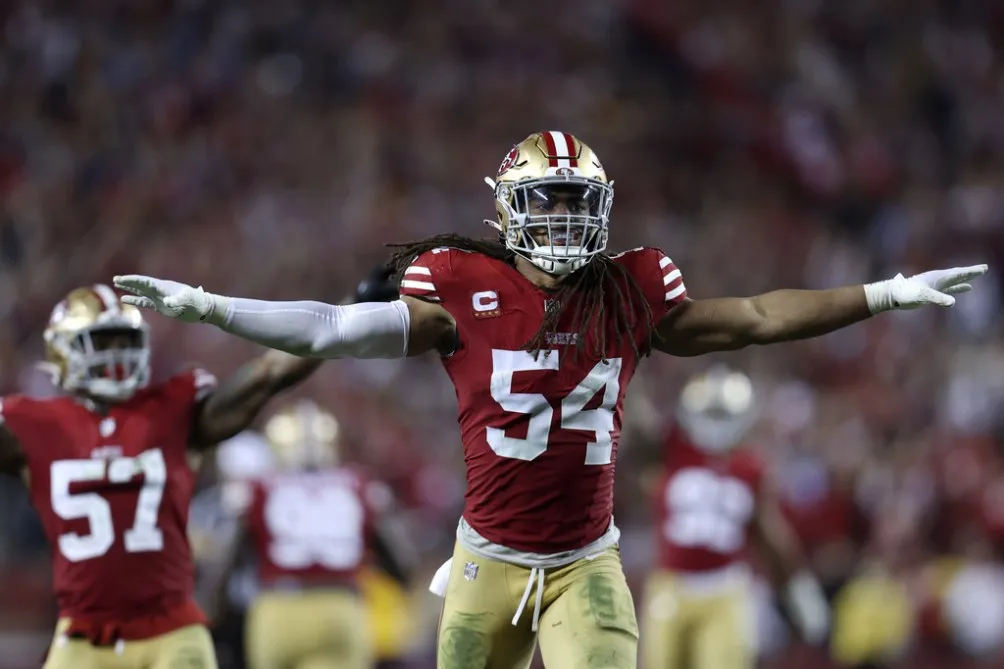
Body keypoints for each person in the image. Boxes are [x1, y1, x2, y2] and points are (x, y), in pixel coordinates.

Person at [113, 130, 988, 669]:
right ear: (507, 211)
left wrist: (883, 292)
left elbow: (757, 315)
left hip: (586, 564)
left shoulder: (631, 290)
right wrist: (213, 305)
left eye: (578, 204)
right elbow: (331, 330)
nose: (566, 221)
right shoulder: (462, 288)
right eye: (548, 203)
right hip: (486, 563)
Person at [0, 275, 368, 668]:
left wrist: (348, 312)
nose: (118, 355)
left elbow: (269, 374)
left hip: (172, 633)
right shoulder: (34, 425)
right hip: (85, 636)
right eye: (104, 343)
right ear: (64, 348)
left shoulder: (171, 411)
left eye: (126, 342)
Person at [642, 365, 829, 669]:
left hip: (724, 587)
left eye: (723, 414)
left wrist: (799, 590)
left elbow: (770, 534)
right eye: (711, 413)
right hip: (671, 586)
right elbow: (635, 427)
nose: (716, 424)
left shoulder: (750, 468)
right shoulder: (669, 450)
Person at [211, 398, 413, 669]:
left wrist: (214, 613)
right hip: (339, 607)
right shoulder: (359, 485)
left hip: (277, 610)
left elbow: (227, 562)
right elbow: (402, 566)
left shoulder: (257, 488)